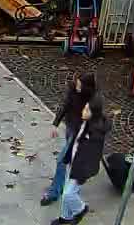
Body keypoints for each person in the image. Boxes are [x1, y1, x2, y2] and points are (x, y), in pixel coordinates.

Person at [53, 84, 112, 224]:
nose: (83, 111)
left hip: (80, 169)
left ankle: (80, 209)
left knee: (68, 194)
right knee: (67, 193)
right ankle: (65, 218)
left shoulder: (94, 134)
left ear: (93, 112)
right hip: (73, 162)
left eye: (86, 109)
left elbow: (90, 157)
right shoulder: (85, 123)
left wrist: (81, 174)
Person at [43, 73, 100, 207]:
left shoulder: (92, 100)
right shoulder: (73, 90)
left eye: (80, 85)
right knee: (70, 159)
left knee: (62, 160)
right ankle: (66, 184)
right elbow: (65, 106)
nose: (77, 86)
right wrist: (56, 124)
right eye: (77, 83)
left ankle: (54, 192)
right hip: (70, 127)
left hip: (79, 132)